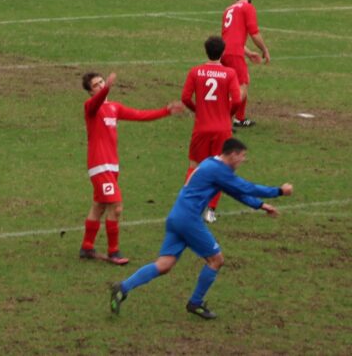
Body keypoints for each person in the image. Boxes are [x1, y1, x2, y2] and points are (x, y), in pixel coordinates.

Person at [110, 137, 292, 320]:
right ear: (233, 154)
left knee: (164, 265)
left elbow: (235, 191)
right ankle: (195, 303)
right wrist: (279, 191)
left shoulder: (211, 163)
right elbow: (247, 187)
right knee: (216, 260)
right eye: (242, 156)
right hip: (189, 220)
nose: (243, 160)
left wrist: (260, 205)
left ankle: (123, 287)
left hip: (176, 217)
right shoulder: (218, 170)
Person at [80, 72, 185, 265]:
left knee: (100, 205)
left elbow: (139, 115)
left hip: (111, 166)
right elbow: (97, 101)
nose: (101, 86)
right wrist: (108, 88)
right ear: (89, 92)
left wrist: (165, 111)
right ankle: (113, 251)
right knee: (116, 207)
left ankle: (87, 246)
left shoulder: (114, 107)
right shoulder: (90, 108)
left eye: (102, 82)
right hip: (100, 166)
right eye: (96, 85)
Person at [182, 35, 243, 224]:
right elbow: (238, 100)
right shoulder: (230, 73)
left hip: (201, 128)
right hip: (223, 129)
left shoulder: (195, 72)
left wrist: (197, 110)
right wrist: (228, 114)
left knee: (194, 166)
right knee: (220, 169)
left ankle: (187, 206)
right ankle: (210, 210)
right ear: (223, 52)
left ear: (205, 51)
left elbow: (185, 98)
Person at [221, 0, 270, 128]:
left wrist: (248, 53)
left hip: (224, 52)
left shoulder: (228, 9)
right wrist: (264, 49)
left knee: (243, 81)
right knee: (241, 88)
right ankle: (222, 121)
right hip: (234, 53)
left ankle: (239, 118)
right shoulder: (248, 8)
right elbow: (254, 33)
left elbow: (230, 38)